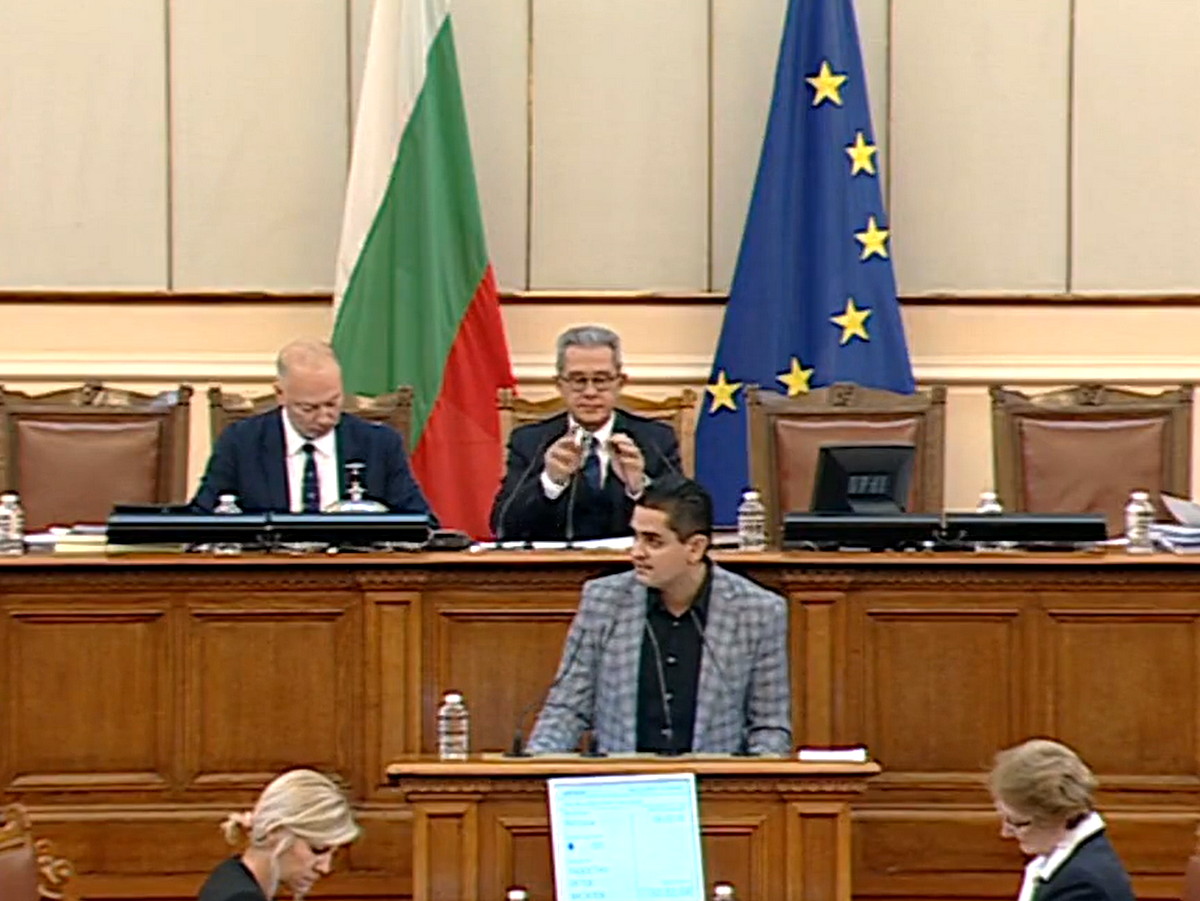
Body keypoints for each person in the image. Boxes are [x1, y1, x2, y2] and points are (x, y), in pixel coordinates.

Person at [526, 477, 791, 755]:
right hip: (622, 776)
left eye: (653, 541)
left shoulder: (758, 612)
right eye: (636, 537)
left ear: (695, 548)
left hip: (713, 778)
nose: (636, 553)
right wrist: (537, 765)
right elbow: (567, 708)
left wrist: (754, 775)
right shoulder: (604, 601)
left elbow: (769, 727)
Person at [191, 338, 437, 523]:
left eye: (332, 403)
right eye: (308, 408)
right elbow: (201, 520)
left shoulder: (378, 445)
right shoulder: (241, 442)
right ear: (281, 394)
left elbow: (421, 523)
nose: (324, 418)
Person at [489, 325, 681, 542]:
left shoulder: (656, 439)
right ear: (560, 385)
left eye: (601, 380)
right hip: (554, 562)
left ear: (620, 383)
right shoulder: (529, 441)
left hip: (634, 561)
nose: (590, 392)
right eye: (578, 380)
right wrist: (550, 482)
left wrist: (639, 487)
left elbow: (686, 520)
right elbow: (502, 526)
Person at [988, 738, 1135, 901]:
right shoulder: (1075, 863)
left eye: (1018, 823)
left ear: (1058, 815)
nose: (1005, 833)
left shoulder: (1082, 887)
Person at [197, 768, 359, 901]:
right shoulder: (242, 897)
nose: (325, 868)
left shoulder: (231, 875)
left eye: (333, 854)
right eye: (318, 849)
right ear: (275, 831)